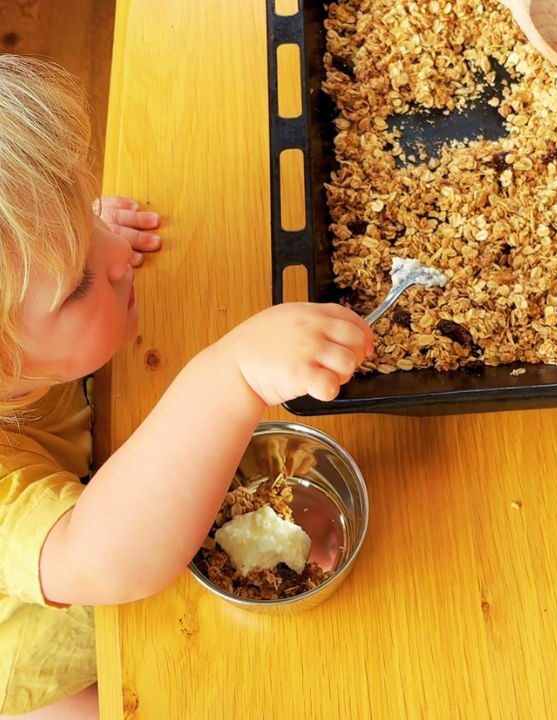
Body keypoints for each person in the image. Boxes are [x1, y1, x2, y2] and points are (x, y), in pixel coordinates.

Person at [0, 55, 372, 719]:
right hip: (38, 657)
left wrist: (68, 234)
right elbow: (105, 558)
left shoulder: (22, 328)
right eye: (81, 282)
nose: (114, 254)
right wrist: (226, 376)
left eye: (83, 219)